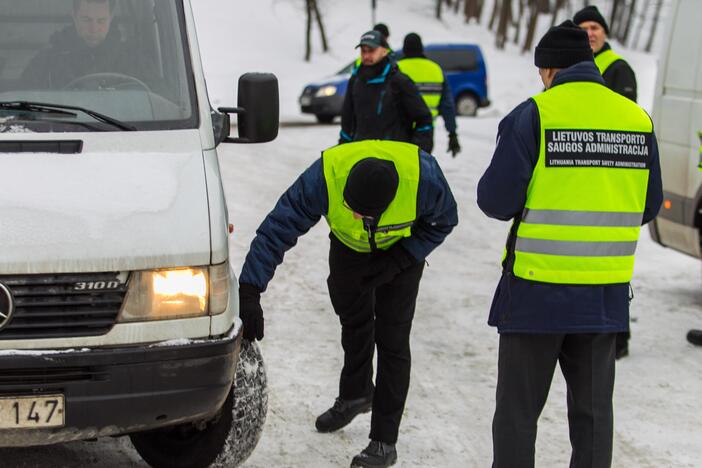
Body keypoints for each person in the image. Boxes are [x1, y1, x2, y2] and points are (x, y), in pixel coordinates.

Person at [477, 21, 662, 468]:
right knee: (594, 417)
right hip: (604, 296)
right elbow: (649, 205)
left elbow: (496, 202)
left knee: (518, 417)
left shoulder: (534, 114)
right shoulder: (637, 118)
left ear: (547, 69)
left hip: (536, 292)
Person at [237, 140, 457, 468]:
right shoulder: (325, 177)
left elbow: (444, 221)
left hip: (400, 253)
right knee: (352, 319)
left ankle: (384, 441)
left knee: (393, 341)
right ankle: (356, 394)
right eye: (349, 205)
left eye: (362, 212)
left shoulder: (424, 180)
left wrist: (402, 259)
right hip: (348, 249)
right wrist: (250, 289)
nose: (354, 214)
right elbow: (278, 228)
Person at [21, 0, 153, 89]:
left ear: (111, 18)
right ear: (74, 16)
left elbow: (157, 101)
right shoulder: (46, 63)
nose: (94, 28)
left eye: (101, 21)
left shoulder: (134, 61)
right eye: (86, 20)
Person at [340, 31, 434, 154]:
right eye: (363, 51)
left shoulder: (399, 82)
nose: (366, 56)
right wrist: (343, 149)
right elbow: (347, 119)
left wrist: (415, 153)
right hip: (361, 156)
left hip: (393, 159)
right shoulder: (356, 80)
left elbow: (424, 119)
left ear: (384, 51)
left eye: (371, 50)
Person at [397, 33, 461, 157]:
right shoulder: (436, 70)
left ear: (404, 49)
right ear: (421, 48)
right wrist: (452, 134)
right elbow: (447, 106)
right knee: (421, 169)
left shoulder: (396, 68)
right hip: (426, 132)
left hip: (399, 131)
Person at [574, 5, 637, 102]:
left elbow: (627, 113)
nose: (589, 34)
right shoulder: (564, 67)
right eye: (583, 29)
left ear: (604, 33)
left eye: (594, 28)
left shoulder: (620, 69)